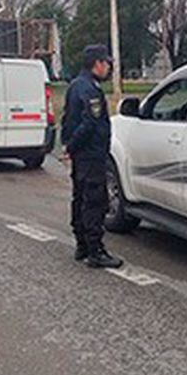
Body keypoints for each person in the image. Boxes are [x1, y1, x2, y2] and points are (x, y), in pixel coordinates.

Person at [61, 45, 123, 269]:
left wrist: (69, 145)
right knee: (95, 201)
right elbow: (89, 123)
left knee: (80, 198)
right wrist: (73, 146)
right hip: (91, 154)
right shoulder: (90, 89)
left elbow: (67, 119)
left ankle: (82, 244)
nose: (108, 68)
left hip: (81, 156)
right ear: (97, 63)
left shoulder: (76, 85)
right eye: (106, 63)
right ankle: (95, 250)